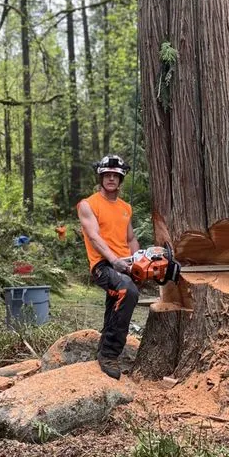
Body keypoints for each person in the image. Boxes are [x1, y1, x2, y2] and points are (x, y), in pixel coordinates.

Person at [77, 154, 140, 379]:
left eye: (115, 175)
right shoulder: (88, 204)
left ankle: (103, 348)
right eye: (107, 175)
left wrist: (138, 261)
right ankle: (109, 354)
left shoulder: (125, 208)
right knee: (127, 291)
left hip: (124, 264)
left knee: (116, 301)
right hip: (103, 265)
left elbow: (131, 238)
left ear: (121, 179)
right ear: (101, 176)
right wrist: (114, 260)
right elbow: (94, 237)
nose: (111, 179)